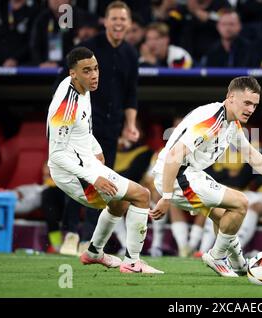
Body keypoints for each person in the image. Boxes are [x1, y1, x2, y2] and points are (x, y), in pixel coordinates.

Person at [47, 46, 163, 274]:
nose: (94, 75)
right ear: (73, 73)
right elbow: (56, 154)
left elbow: (80, 131)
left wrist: (95, 148)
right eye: (87, 71)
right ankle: (132, 262)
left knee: (118, 202)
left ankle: (93, 253)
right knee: (142, 195)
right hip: (70, 171)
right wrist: (94, 177)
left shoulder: (82, 89)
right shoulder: (66, 104)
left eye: (96, 68)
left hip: (85, 161)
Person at [150, 76, 262, 277]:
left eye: (254, 105)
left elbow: (252, 156)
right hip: (177, 174)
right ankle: (217, 256)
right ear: (230, 98)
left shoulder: (232, 123)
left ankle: (239, 263)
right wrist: (166, 197)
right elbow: (174, 155)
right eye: (247, 103)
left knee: (224, 216)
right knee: (241, 203)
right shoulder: (213, 120)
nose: (251, 109)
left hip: (188, 173)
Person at [60, 1, 141, 255]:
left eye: (123, 19)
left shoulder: (131, 54)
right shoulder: (89, 48)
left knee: (103, 183)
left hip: (111, 128)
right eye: (114, 18)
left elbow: (131, 94)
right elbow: (68, 83)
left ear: (129, 24)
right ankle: (70, 234)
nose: (118, 23)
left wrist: (130, 125)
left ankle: (88, 239)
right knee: (79, 178)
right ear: (105, 21)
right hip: (83, 128)